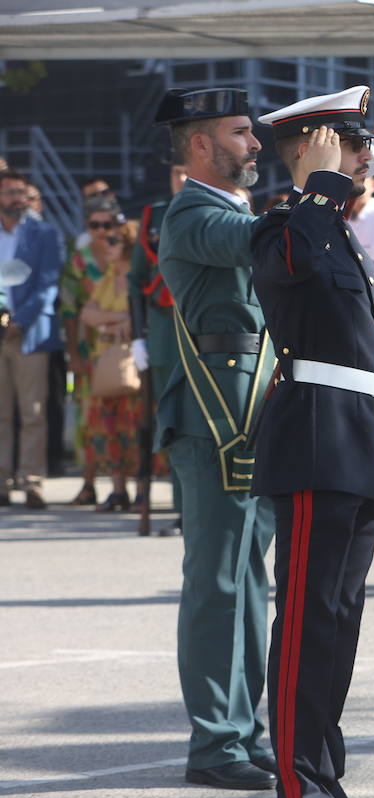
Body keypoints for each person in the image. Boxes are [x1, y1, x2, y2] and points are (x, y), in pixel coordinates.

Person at [251, 87, 374, 798]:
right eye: (349, 143)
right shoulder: (286, 227)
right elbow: (284, 266)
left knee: (337, 624)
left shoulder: (340, 236)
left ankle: (323, 777)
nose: (365, 153)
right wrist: (315, 188)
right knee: (306, 623)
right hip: (316, 440)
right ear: (313, 147)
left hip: (360, 440)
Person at [154, 87, 278, 791]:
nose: (254, 144)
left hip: (253, 402)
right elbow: (257, 242)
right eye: (241, 132)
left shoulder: (235, 209)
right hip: (214, 413)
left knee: (249, 582)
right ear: (200, 144)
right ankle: (214, 742)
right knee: (219, 580)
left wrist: (345, 178)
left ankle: (242, 727)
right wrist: (323, 186)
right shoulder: (192, 212)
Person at [129, 161, 190, 533]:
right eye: (175, 173)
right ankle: (182, 507)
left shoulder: (220, 210)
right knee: (172, 423)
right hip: (165, 334)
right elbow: (136, 280)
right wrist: (138, 335)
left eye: (187, 173)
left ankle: (197, 508)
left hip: (203, 332)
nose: (181, 180)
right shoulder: (155, 216)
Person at [0, 168, 62, 510]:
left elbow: (48, 285)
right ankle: (1, 481)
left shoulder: (44, 233)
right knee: (1, 413)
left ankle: (32, 482)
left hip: (29, 333)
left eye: (20, 192)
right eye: (9, 192)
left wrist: (19, 320)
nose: (17, 198)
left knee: (33, 411)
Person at [77, 217, 144, 510]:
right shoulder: (107, 277)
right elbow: (86, 314)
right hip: (105, 363)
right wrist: (118, 320)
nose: (106, 244)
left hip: (133, 364)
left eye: (114, 240)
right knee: (109, 426)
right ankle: (118, 491)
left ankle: (142, 490)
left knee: (137, 427)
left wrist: (108, 321)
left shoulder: (139, 278)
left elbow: (141, 318)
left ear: (128, 245)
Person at [60, 198, 122, 507]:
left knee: (124, 420)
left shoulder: (125, 257)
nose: (102, 231)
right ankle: (88, 484)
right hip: (90, 350)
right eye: (95, 225)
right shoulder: (79, 262)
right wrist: (73, 353)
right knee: (89, 418)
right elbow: (70, 312)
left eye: (108, 225)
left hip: (122, 351)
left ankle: (123, 485)